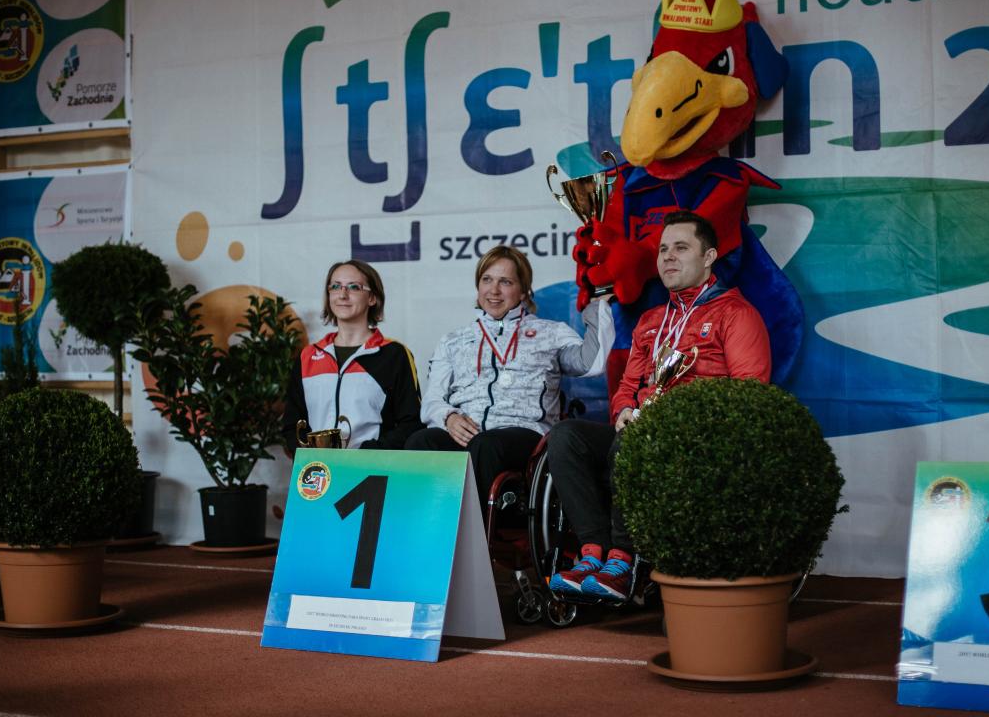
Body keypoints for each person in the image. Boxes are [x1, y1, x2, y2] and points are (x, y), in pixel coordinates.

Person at [547, 210, 771, 600]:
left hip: (697, 440)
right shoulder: (651, 320)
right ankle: (592, 553)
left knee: (635, 442)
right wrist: (622, 413)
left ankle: (624, 561)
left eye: (681, 248)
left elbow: (750, 397)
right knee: (567, 436)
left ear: (709, 257)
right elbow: (628, 386)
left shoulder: (736, 314)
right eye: (663, 249)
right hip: (641, 433)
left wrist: (679, 419)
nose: (667, 256)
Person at [405, 245, 613, 501]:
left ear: (524, 290)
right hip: (467, 433)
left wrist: (597, 307)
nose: (493, 290)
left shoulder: (551, 332)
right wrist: (448, 418)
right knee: (421, 441)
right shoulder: (453, 340)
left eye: (505, 282)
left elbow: (591, 364)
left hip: (524, 433)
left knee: (486, 445)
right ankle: (424, 532)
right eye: (487, 280)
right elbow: (432, 401)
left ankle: (477, 537)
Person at [282, 260, 423, 453]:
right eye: (335, 286)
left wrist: (368, 453)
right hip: (318, 474)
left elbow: (411, 423)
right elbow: (292, 423)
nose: (342, 294)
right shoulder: (308, 356)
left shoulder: (394, 354)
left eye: (354, 287)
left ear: (372, 298)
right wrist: (307, 455)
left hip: (371, 472)